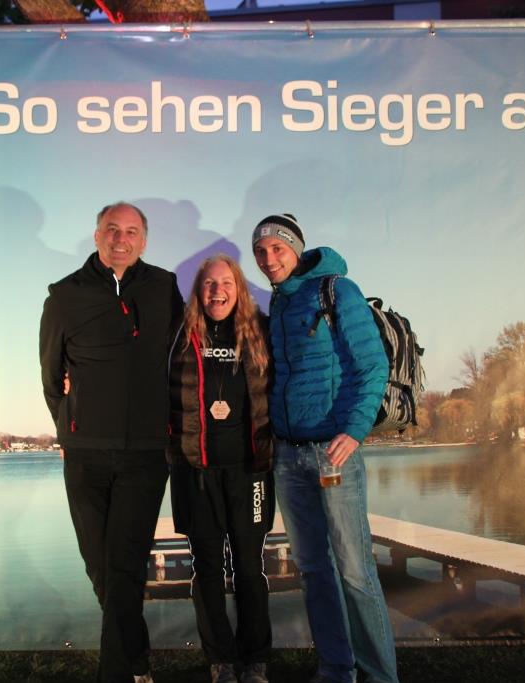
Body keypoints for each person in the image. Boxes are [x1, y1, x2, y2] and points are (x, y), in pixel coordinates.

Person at [40, 202, 183, 683]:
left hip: (146, 452)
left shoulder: (164, 287)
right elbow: (50, 375)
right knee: (101, 568)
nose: (121, 239)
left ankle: (117, 674)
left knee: (124, 565)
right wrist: (68, 425)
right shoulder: (64, 296)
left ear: (145, 240)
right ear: (97, 235)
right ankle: (137, 663)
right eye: (112, 229)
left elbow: (182, 357)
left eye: (131, 231)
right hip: (85, 455)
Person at [251, 214, 397, 683]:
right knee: (314, 569)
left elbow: (372, 366)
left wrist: (354, 430)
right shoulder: (279, 303)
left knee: (354, 570)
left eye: (277, 248)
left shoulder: (337, 291)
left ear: (296, 249)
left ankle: (380, 676)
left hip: (333, 453)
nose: (269, 258)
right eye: (260, 251)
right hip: (288, 457)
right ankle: (336, 668)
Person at [167, 255, 274, 683]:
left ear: (239, 288)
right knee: (207, 567)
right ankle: (221, 661)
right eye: (209, 283)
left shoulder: (261, 330)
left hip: (250, 470)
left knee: (249, 566)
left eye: (226, 282)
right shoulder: (178, 333)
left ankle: (256, 659)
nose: (218, 291)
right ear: (198, 290)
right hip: (195, 469)